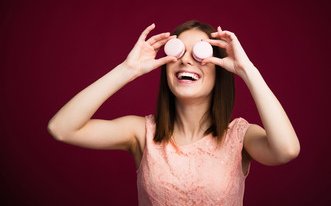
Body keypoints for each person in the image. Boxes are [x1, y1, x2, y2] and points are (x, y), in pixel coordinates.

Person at [48, 21, 300, 205]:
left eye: (201, 53)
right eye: (179, 51)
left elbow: (286, 150)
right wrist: (127, 69)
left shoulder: (240, 137)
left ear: (220, 68)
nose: (187, 60)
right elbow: (61, 128)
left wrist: (248, 70)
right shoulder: (140, 132)